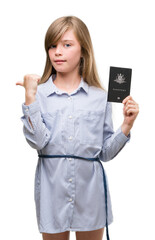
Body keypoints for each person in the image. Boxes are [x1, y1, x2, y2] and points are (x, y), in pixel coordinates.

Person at [16, 16, 139, 240]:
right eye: (52, 45)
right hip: (52, 194)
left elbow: (104, 153)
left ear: (83, 50)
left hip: (90, 194)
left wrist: (126, 126)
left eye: (66, 44)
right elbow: (37, 142)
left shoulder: (100, 96)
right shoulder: (38, 94)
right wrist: (30, 98)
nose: (57, 52)